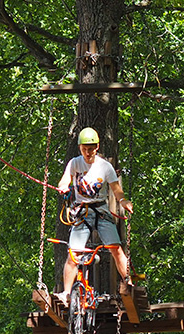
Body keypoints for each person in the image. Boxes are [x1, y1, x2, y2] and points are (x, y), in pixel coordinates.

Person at [54, 127, 134, 306]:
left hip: (101, 209)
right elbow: (65, 179)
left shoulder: (105, 167)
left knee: (115, 247)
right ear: (80, 148)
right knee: (73, 253)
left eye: (91, 149)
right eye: (84, 149)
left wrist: (124, 202)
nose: (88, 152)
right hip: (82, 212)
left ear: (97, 147)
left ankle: (128, 282)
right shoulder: (75, 163)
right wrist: (64, 187)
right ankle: (66, 293)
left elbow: (116, 191)